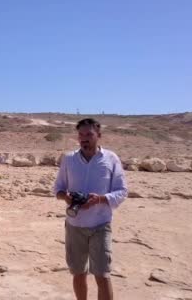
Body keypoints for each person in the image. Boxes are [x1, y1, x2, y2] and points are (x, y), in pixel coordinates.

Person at [54, 118, 128, 300]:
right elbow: (58, 188)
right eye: (81, 135)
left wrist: (101, 199)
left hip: (100, 225)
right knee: (78, 273)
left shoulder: (111, 159)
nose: (84, 138)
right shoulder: (69, 159)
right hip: (74, 226)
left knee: (102, 274)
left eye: (89, 134)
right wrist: (66, 197)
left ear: (99, 136)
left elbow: (122, 191)